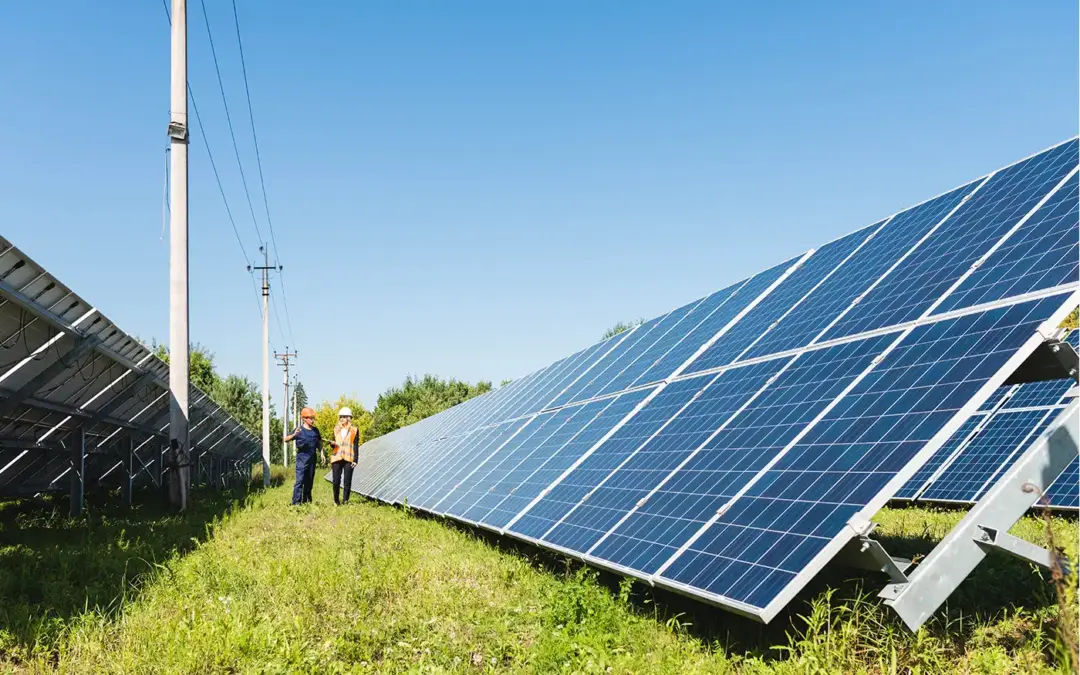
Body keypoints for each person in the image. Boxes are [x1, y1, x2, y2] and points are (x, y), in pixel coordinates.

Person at [283, 407, 324, 505]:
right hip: (302, 458)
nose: (312, 420)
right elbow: (286, 439)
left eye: (313, 418)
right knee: (300, 480)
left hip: (312, 458)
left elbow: (319, 442)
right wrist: (294, 435)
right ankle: (296, 502)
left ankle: (307, 501)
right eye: (310, 418)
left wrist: (322, 453)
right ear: (304, 418)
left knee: (309, 481)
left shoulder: (315, 430)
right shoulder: (299, 430)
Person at [329, 407, 360, 505]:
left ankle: (345, 500)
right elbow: (333, 442)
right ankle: (336, 501)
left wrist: (355, 459)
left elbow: (355, 445)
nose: (341, 419)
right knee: (336, 480)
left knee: (347, 480)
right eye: (340, 417)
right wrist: (332, 444)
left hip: (348, 457)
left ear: (349, 418)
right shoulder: (336, 429)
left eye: (344, 417)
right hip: (336, 456)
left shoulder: (354, 430)